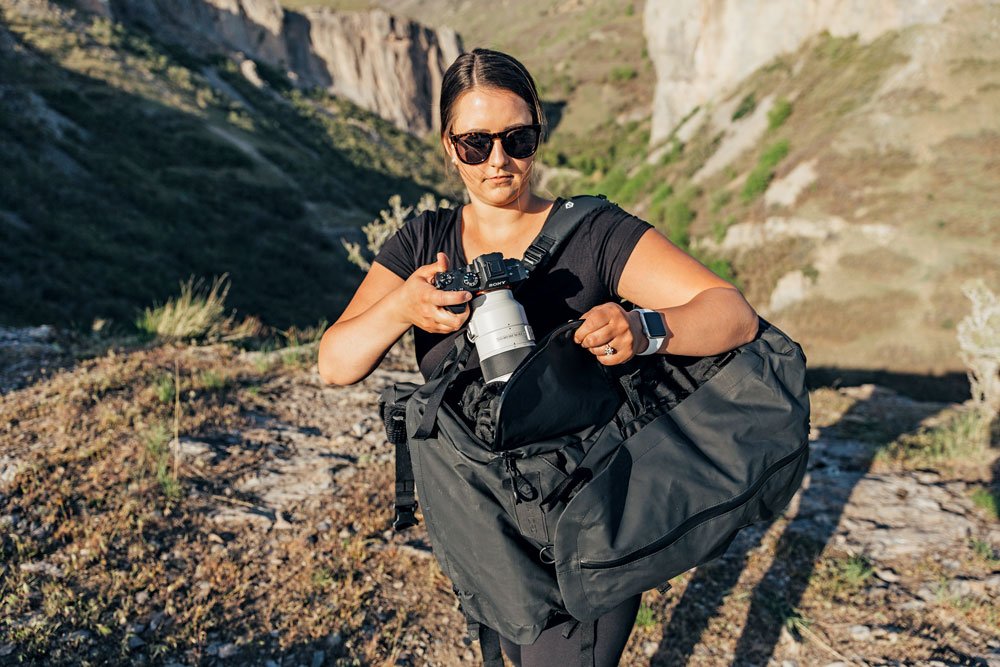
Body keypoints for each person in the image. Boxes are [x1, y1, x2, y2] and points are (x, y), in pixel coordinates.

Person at [318, 48, 759, 667]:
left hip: (587, 521)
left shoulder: (594, 234)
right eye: (475, 144)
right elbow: (334, 363)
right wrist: (399, 309)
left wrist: (645, 327)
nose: (499, 160)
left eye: (516, 139)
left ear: (537, 137)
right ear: (449, 147)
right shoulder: (422, 242)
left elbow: (731, 313)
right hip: (485, 528)